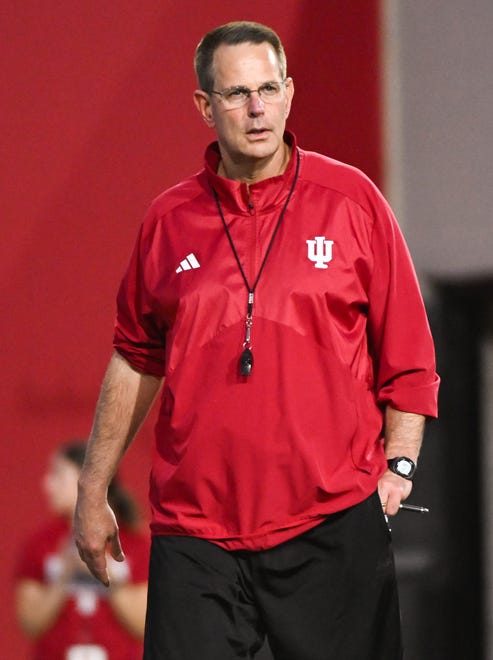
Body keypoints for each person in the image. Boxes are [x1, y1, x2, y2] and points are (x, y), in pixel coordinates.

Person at [74, 21, 439, 660]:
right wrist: (91, 492)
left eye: (268, 89)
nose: (256, 108)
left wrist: (400, 468)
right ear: (204, 106)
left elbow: (408, 356)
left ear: (290, 92)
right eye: (237, 93)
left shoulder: (352, 201)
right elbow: (135, 359)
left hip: (330, 524)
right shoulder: (167, 221)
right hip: (198, 535)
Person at [15, 441, 149, 660]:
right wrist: (65, 573)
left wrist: (106, 575)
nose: (47, 484)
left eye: (58, 475)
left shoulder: (134, 542)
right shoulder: (41, 543)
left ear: (86, 480)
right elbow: (30, 622)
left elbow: (143, 623)